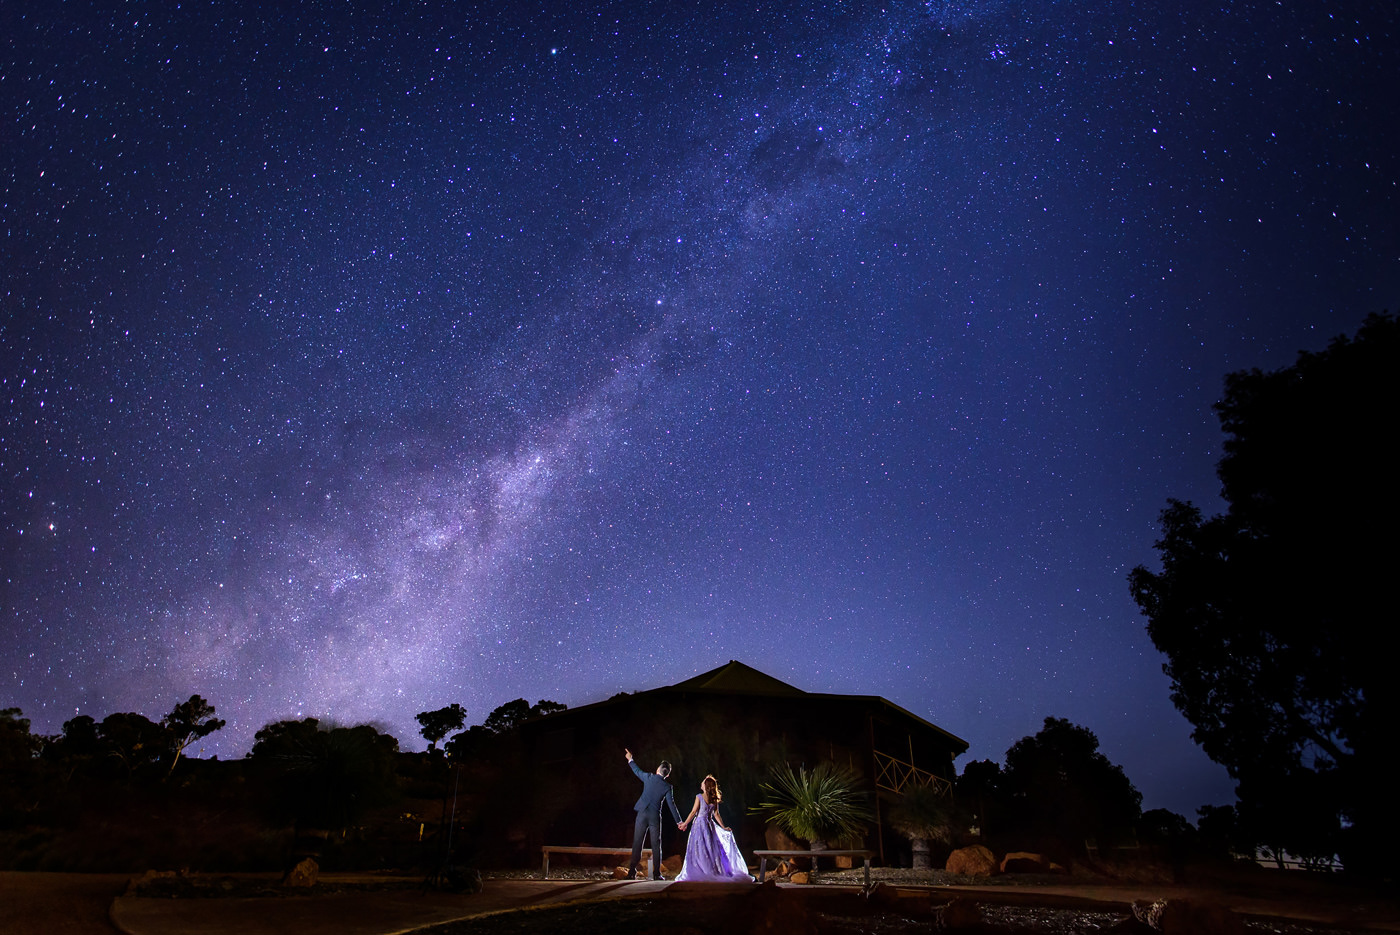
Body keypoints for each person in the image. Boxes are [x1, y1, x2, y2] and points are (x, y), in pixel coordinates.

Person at [675, 774, 755, 882]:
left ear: (706, 786)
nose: (701, 783)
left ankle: (702, 870)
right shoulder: (714, 799)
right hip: (709, 825)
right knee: (710, 848)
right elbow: (716, 814)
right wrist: (723, 827)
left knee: (699, 847)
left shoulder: (699, 797)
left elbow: (694, 812)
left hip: (699, 825)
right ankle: (711, 870)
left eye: (703, 782)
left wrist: (685, 823)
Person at [625, 747, 683, 880]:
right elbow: (671, 805)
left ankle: (632, 871)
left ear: (658, 770)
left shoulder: (649, 777)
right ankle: (657, 873)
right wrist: (679, 821)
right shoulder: (667, 787)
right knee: (656, 845)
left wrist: (630, 759)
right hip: (654, 816)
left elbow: (636, 771)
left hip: (642, 813)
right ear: (667, 775)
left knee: (637, 842)